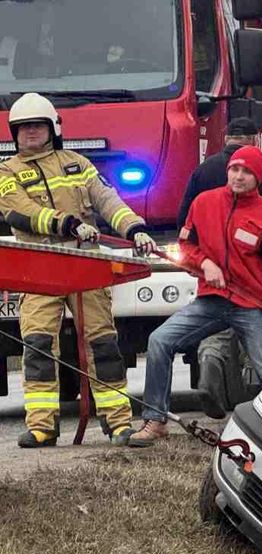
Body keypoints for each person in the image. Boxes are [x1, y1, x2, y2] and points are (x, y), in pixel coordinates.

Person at [128, 146, 262, 446]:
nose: (239, 176)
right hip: (210, 300)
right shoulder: (203, 203)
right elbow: (186, 248)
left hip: (252, 307)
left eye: (247, 172)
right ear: (227, 171)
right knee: (159, 341)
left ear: (258, 179)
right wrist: (204, 263)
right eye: (235, 169)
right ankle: (155, 421)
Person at [0, 92, 156, 448]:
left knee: (102, 343)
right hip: (38, 267)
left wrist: (135, 229)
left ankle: (118, 425)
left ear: (52, 128)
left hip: (85, 263)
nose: (30, 134)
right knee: (38, 345)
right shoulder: (6, 173)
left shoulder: (78, 164)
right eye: (23, 129)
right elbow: (17, 211)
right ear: (14, 134)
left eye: (37, 126)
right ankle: (42, 426)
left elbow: (108, 199)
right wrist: (66, 224)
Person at [177, 117, 262, 418]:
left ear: (226, 136)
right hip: (253, 279)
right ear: (254, 140)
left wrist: (199, 261)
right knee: (259, 345)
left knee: (215, 330)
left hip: (212, 276)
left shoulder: (203, 171)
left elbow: (184, 222)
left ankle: (209, 369)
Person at [177, 117, 262, 252]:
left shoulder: (203, 170)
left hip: (211, 258)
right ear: (254, 141)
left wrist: (198, 258)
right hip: (251, 257)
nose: (238, 177)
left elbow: (184, 218)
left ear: (226, 139)